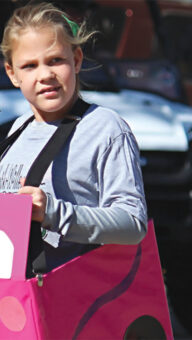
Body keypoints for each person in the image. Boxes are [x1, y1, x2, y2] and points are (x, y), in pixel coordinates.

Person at [0, 3, 147, 272]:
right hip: (15, 302)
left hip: (77, 299)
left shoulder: (105, 128)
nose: (45, 75)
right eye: (30, 66)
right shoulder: (17, 130)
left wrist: (52, 213)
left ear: (76, 59)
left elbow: (133, 223)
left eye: (55, 60)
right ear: (13, 74)